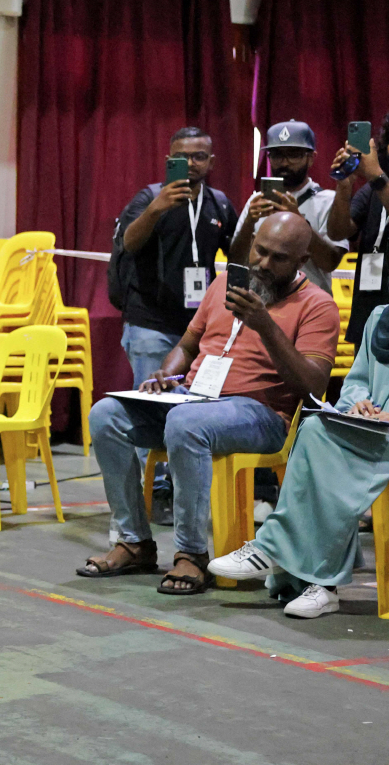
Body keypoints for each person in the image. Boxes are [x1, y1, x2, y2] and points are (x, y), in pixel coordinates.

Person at [78, 214, 339, 595]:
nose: (263, 264)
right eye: (259, 251)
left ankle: (191, 553)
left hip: (260, 413)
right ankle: (135, 542)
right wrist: (165, 374)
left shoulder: (318, 305)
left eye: (278, 258)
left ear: (301, 261)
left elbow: (313, 386)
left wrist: (264, 324)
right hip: (192, 398)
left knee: (186, 424)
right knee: (106, 415)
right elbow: (187, 345)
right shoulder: (223, 285)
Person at [208, 302, 389, 617]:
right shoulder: (379, 316)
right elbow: (358, 379)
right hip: (370, 430)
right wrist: (357, 403)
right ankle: (318, 583)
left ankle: (283, 555)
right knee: (315, 428)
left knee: (326, 454)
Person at [110, 127, 239, 523]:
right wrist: (155, 210)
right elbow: (128, 245)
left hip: (195, 331)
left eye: (200, 156)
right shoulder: (150, 197)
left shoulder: (218, 204)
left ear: (211, 162)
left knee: (186, 416)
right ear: (168, 159)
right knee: (145, 416)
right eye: (182, 157)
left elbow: (238, 256)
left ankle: (171, 495)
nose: (192, 164)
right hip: (150, 321)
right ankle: (133, 511)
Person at [231, 120, 345, 294]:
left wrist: (298, 220)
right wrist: (248, 223)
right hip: (259, 305)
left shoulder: (328, 201)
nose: (284, 163)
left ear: (311, 158)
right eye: (276, 155)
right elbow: (235, 262)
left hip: (308, 306)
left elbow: (330, 262)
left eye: (293, 154)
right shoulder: (256, 200)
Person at [327, 113, 389, 350]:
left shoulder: (379, 181)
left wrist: (375, 175)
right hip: (368, 315)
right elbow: (337, 231)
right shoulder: (374, 188)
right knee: (362, 387)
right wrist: (344, 185)